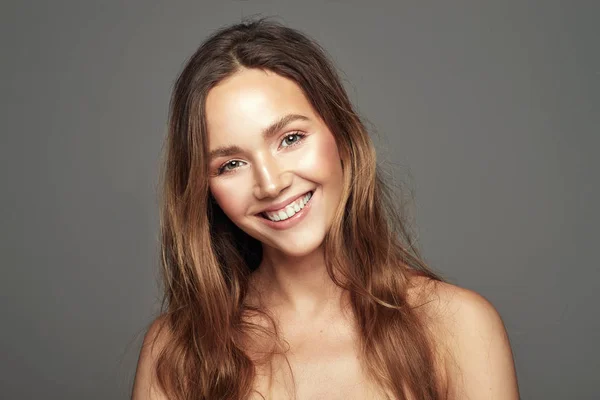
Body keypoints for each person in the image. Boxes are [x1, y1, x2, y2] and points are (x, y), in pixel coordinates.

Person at [132, 18, 519, 400]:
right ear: (204, 189)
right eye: (231, 164)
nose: (270, 183)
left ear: (343, 136)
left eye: (291, 138)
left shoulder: (457, 328)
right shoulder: (177, 352)